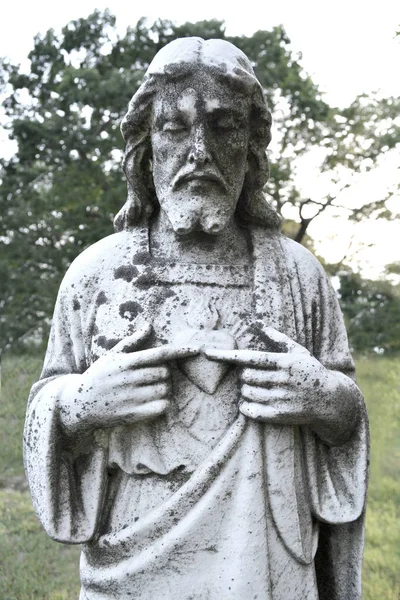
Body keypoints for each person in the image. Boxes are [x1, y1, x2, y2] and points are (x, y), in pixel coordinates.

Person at [24, 38, 369, 600]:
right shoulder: (99, 273)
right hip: (132, 559)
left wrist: (325, 398)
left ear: (252, 147)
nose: (199, 151)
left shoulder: (299, 277)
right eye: (174, 128)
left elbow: (347, 410)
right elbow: (46, 405)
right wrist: (79, 404)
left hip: (268, 561)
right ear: (147, 146)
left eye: (223, 126)